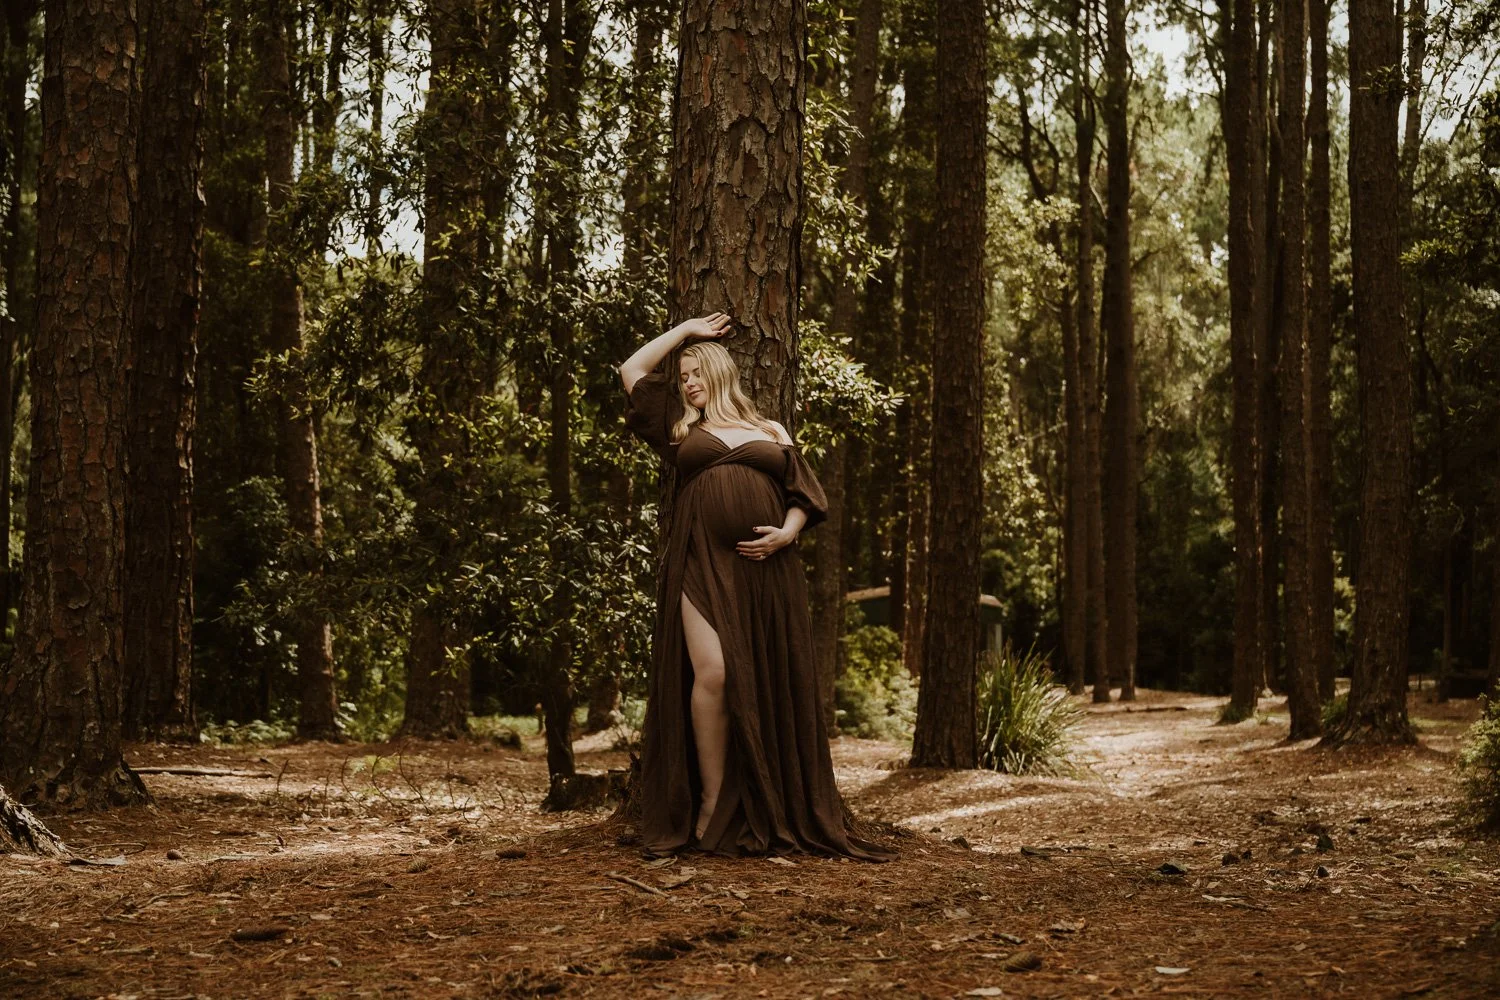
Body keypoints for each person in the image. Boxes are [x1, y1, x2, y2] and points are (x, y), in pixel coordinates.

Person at [618, 313, 893, 861]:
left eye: (697, 373)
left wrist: (785, 535)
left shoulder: (771, 431)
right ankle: (711, 802)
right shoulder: (680, 425)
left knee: (766, 676)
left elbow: (804, 495)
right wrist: (688, 330)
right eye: (684, 376)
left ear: (721, 373)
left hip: (765, 570)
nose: (689, 382)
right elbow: (633, 367)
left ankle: (771, 801)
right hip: (699, 559)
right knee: (714, 672)